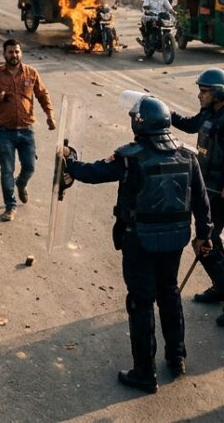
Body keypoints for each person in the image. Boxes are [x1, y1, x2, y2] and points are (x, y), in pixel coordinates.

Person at [61, 95, 213, 394]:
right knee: (169, 293)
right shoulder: (188, 155)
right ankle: (177, 356)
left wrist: (70, 161)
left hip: (139, 240)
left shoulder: (130, 157)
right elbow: (201, 199)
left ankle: (145, 372)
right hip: (175, 239)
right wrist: (204, 234)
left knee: (140, 302)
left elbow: (93, 173)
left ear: (139, 123)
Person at [170, 69, 224, 326]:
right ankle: (222, 286)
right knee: (211, 238)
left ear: (219, 92)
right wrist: (164, 113)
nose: (200, 95)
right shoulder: (209, 113)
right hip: (206, 188)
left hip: (223, 191)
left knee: (203, 240)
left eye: (204, 90)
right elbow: (189, 124)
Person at [0, 39, 56, 222]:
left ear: (20, 53)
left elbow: (42, 94)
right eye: (10, 52)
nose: (13, 55)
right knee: (7, 170)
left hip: (26, 130)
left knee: (30, 166)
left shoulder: (31, 73)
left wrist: (50, 115)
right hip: (4, 131)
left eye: (16, 52)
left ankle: (21, 184)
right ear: (4, 54)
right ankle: (10, 205)